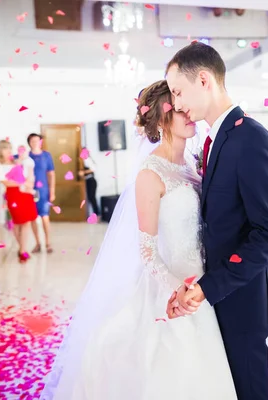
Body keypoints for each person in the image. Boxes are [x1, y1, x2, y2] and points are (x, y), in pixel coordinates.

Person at [40, 81, 237, 400]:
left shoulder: (189, 166)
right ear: (160, 119)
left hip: (202, 283)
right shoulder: (150, 174)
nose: (189, 113)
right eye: (178, 108)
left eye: (186, 105)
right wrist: (179, 289)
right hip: (172, 289)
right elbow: (146, 249)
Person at [166, 42, 268, 400]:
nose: (176, 104)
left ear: (203, 79)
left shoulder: (251, 138)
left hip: (243, 299)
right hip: (221, 294)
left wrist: (209, 286)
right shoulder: (214, 137)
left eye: (178, 91)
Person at [0, 140, 38, 263]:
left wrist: (27, 183)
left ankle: (23, 250)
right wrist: (23, 183)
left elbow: (26, 174)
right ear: (0, 150)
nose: (9, 151)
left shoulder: (16, 162)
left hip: (25, 193)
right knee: (18, 221)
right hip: (13, 194)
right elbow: (4, 182)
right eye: (5, 149)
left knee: (26, 221)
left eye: (10, 148)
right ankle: (22, 250)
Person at [27, 133, 56, 254]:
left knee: (45, 217)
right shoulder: (26, 156)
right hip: (29, 191)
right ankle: (38, 243)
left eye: (37, 140)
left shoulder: (46, 156)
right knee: (33, 218)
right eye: (32, 141)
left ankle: (48, 243)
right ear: (29, 142)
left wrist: (52, 191)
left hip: (43, 191)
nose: (35, 143)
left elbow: (51, 174)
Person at [78, 148, 100, 217]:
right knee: (90, 198)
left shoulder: (88, 160)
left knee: (92, 198)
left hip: (91, 181)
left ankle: (97, 215)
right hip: (87, 181)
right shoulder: (83, 161)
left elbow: (93, 169)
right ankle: (96, 214)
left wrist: (83, 172)